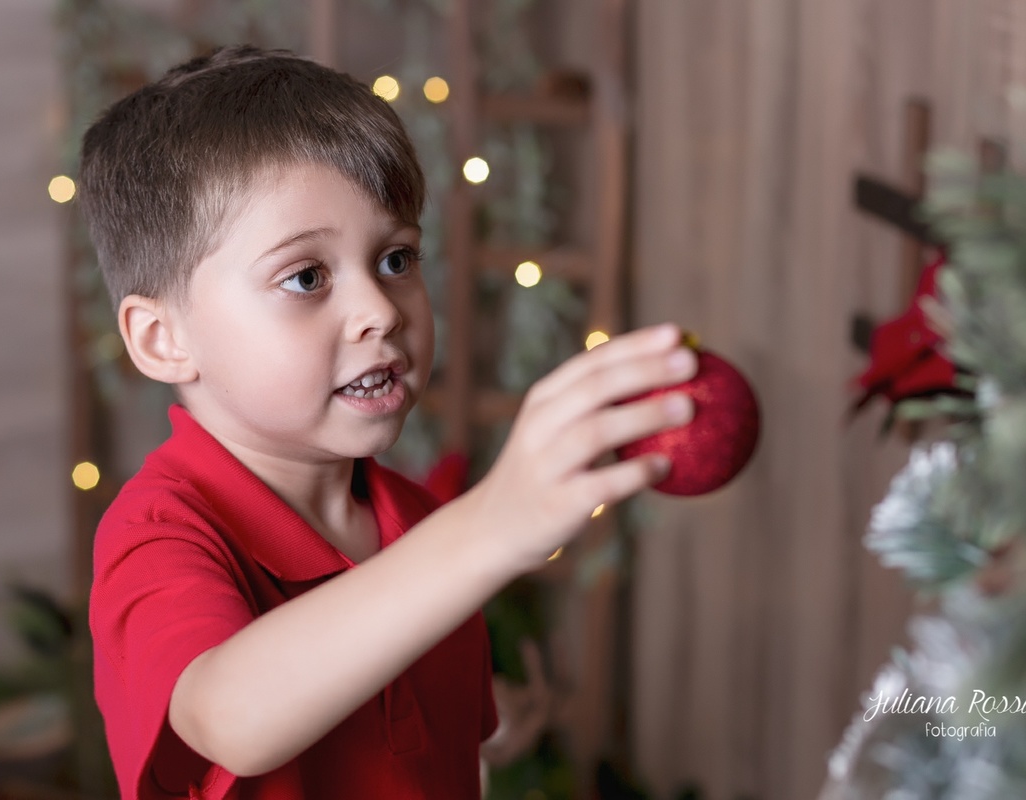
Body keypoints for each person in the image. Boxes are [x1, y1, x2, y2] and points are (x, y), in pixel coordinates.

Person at [80, 44, 696, 800]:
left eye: (397, 259)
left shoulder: (415, 521)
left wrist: (489, 718)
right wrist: (490, 527)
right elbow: (229, 716)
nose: (380, 310)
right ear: (162, 340)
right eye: (305, 277)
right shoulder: (160, 533)